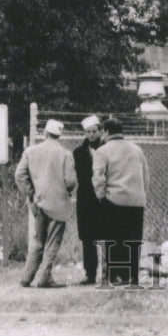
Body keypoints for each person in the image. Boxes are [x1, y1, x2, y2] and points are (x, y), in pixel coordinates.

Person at [14, 119, 76, 288]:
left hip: (38, 202)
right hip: (58, 204)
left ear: (45, 133)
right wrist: (66, 191)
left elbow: (19, 175)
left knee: (38, 241)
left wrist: (31, 193)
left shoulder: (30, 151)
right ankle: (44, 278)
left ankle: (26, 277)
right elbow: (70, 181)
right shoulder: (66, 154)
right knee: (52, 243)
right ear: (59, 135)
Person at [92, 118, 149, 286]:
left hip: (114, 200)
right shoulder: (137, 150)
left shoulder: (102, 151)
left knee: (114, 240)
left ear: (106, 132)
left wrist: (101, 196)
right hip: (136, 201)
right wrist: (142, 195)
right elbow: (146, 175)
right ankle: (132, 276)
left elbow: (98, 177)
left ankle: (114, 275)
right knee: (133, 240)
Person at [73, 114, 103, 285]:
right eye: (88, 132)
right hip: (86, 198)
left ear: (99, 131)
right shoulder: (78, 153)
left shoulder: (107, 149)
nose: (91, 135)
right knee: (88, 237)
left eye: (94, 131)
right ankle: (90, 273)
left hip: (105, 197)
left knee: (108, 235)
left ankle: (110, 271)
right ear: (84, 133)